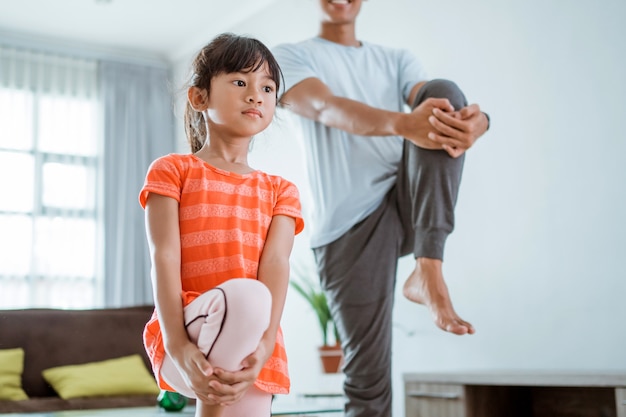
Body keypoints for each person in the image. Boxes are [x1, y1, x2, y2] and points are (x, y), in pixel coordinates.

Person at [272, 1, 490, 415]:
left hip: (408, 200)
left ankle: (428, 268)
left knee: (443, 93)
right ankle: (424, 274)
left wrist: (478, 123)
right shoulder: (291, 56)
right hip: (347, 226)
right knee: (368, 382)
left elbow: (437, 109)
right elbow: (324, 107)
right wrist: (405, 124)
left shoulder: (396, 59)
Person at [139, 33, 304, 417]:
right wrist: (178, 346)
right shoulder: (173, 171)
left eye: (267, 87)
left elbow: (276, 265)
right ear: (200, 98)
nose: (256, 95)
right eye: (240, 82)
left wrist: (264, 348)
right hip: (186, 334)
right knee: (249, 297)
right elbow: (163, 257)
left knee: (255, 300)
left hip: (254, 351)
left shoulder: (281, 190)